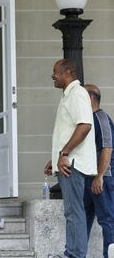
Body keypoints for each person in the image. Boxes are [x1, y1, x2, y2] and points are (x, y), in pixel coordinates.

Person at [43, 59, 97, 258]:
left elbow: (84, 126)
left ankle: (75, 255)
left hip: (72, 165)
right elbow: (68, 131)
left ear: (67, 73)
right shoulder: (69, 95)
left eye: (55, 72)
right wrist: (55, 157)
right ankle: (71, 253)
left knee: (74, 213)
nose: (52, 76)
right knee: (73, 212)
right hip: (67, 163)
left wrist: (64, 154)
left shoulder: (76, 93)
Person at [83, 84, 114, 258]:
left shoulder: (101, 118)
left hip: (102, 178)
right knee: (83, 219)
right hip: (88, 177)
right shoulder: (88, 120)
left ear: (90, 98)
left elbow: (107, 148)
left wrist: (100, 176)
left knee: (107, 220)